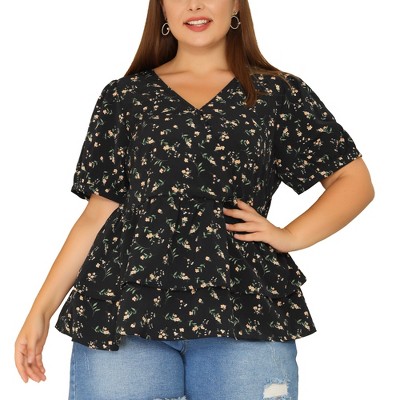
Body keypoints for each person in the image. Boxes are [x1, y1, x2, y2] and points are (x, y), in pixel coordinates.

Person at [14, 1, 374, 399]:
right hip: (125, 311)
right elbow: (98, 214)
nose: (194, 4)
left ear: (235, 5)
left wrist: (290, 235)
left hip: (243, 311)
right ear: (162, 10)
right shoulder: (125, 97)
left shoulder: (278, 93)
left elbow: (353, 181)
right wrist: (40, 311)